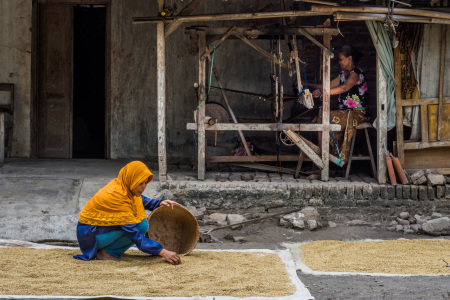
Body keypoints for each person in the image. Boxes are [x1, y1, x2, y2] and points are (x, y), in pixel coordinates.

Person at [73, 161, 181, 264]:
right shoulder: (117, 195)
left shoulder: (124, 187)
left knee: (143, 224)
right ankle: (105, 253)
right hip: (90, 235)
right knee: (140, 226)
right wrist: (162, 251)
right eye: (140, 183)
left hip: (100, 230)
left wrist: (159, 203)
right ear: (131, 180)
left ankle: (108, 251)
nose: (144, 187)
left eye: (145, 182)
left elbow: (140, 200)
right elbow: (134, 234)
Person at [308, 45, 369, 164]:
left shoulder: (356, 73)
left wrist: (324, 92)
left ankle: (322, 164)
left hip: (357, 114)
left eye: (341, 59)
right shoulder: (343, 74)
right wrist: (307, 84)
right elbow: (327, 86)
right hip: (346, 114)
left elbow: (344, 88)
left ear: (349, 59)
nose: (339, 62)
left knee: (322, 120)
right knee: (320, 120)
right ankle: (326, 162)